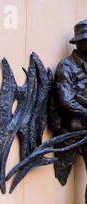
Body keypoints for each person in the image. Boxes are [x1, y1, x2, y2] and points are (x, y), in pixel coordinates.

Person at [50, 19, 87, 191]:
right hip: (73, 126)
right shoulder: (66, 66)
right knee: (62, 173)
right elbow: (66, 101)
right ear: (80, 42)